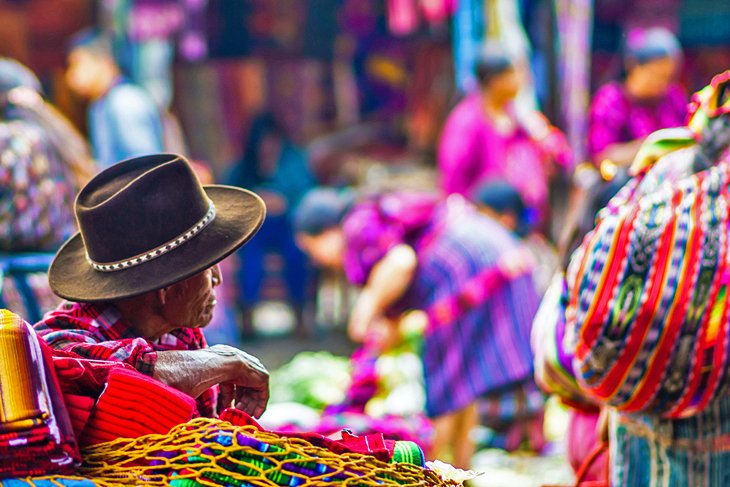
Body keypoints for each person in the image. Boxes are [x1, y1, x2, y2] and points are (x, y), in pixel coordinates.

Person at [294, 188, 540, 469]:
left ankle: (439, 473)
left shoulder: (355, 228)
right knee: (463, 383)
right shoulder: (367, 223)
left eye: (310, 248)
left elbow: (402, 261)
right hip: (488, 252)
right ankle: (458, 472)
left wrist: (366, 310)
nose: (315, 260)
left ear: (326, 233)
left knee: (445, 382)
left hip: (464, 262)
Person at [34, 154, 270, 419]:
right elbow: (118, 373)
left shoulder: (177, 334)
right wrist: (221, 362)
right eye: (207, 267)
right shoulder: (58, 345)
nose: (218, 279)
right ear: (165, 285)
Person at [437, 45, 571, 219]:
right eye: (513, 74)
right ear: (494, 81)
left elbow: (559, 156)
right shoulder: (466, 122)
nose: (521, 80)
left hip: (516, 218)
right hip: (480, 218)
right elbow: (453, 177)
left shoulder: (517, 116)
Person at [226, 113, 317, 338]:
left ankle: (299, 316)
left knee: (296, 253)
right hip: (255, 230)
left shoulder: (293, 163)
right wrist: (255, 201)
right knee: (250, 258)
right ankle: (247, 319)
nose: (267, 146)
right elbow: (228, 197)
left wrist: (283, 201)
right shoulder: (243, 167)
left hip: (287, 227)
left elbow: (306, 196)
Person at [588, 27, 687, 167]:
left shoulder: (673, 97)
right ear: (633, 65)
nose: (662, 84)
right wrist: (652, 147)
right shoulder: (610, 101)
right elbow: (602, 157)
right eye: (656, 75)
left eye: (668, 77)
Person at [66, 29, 164, 168]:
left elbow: (144, 167)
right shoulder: (99, 105)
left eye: (77, 65)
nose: (72, 76)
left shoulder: (124, 101)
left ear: (104, 62)